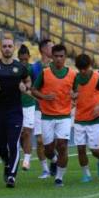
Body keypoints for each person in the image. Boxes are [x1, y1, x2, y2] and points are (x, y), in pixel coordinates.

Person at [0, 37, 30, 188]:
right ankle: (7, 163)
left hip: (15, 111)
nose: (7, 48)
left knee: (13, 143)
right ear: (0, 48)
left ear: (13, 48)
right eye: (4, 46)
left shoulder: (20, 67)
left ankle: (11, 176)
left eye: (10, 46)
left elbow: (28, 81)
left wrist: (25, 86)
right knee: (2, 147)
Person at [31, 44, 77, 187]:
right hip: (47, 116)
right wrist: (44, 97)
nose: (58, 59)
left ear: (65, 57)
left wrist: (74, 96)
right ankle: (54, 160)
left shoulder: (72, 74)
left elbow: (78, 92)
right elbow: (33, 90)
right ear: (52, 57)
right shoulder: (45, 73)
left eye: (61, 56)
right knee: (48, 149)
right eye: (56, 56)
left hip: (64, 116)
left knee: (62, 146)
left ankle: (59, 177)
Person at [72, 54, 99, 182]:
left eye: (85, 68)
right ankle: (86, 174)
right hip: (79, 118)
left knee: (94, 149)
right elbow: (73, 94)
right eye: (80, 68)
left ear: (89, 66)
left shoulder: (98, 78)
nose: (83, 71)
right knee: (80, 148)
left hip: (94, 119)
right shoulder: (75, 78)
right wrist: (73, 97)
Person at [30, 39, 55, 178]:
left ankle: (54, 161)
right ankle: (45, 169)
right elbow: (30, 88)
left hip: (55, 109)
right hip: (39, 109)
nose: (54, 49)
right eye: (51, 47)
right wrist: (40, 98)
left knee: (53, 141)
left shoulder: (57, 67)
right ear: (44, 49)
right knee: (40, 140)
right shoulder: (34, 68)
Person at [17, 44, 36, 170]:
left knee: (27, 133)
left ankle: (27, 160)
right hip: (16, 105)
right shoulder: (15, 69)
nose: (24, 62)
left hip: (29, 104)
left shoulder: (33, 69)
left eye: (26, 59)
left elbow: (37, 86)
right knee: (19, 134)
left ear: (29, 57)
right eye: (21, 59)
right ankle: (24, 153)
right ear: (18, 58)